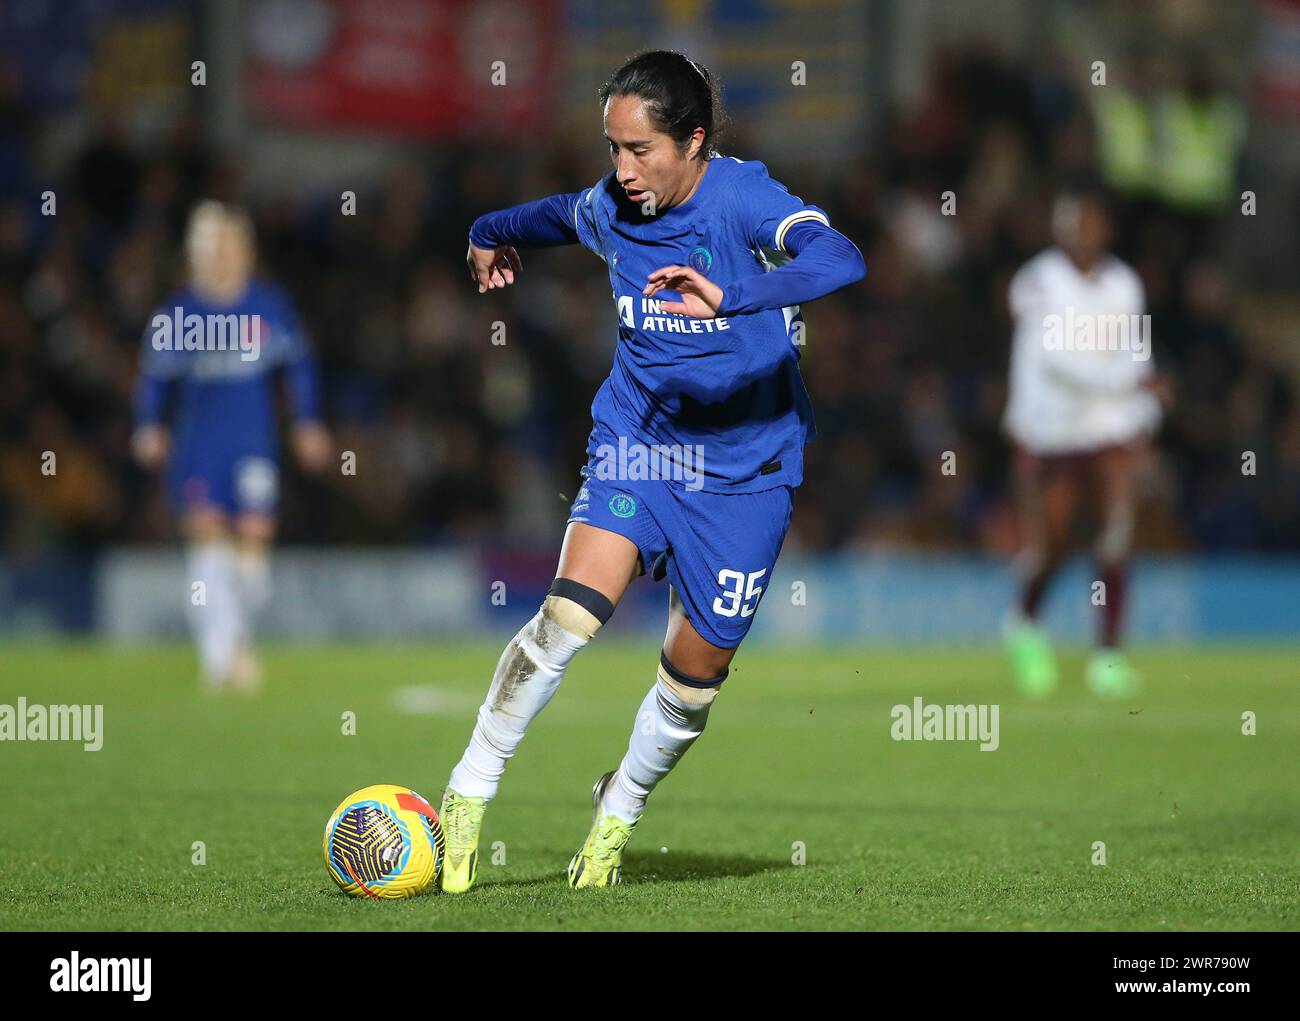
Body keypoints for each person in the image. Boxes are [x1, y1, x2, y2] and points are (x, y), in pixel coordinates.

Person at [443, 50, 865, 891]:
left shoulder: (741, 197)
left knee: (694, 679)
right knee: (567, 619)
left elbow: (842, 257)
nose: (623, 170)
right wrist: (487, 232)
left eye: (641, 150)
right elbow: (553, 216)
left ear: (695, 141)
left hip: (749, 467)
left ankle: (618, 809)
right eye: (612, 148)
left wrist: (738, 293)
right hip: (641, 443)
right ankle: (467, 791)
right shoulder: (612, 207)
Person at [132, 200, 331, 691]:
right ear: (194, 253)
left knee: (251, 565)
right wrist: (149, 425)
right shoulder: (179, 313)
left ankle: (232, 641)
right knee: (208, 546)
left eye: (230, 246)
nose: (221, 256)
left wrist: (308, 424)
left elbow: (299, 368)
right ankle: (219, 657)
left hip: (253, 447)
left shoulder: (268, 307)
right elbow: (154, 379)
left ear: (246, 252)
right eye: (211, 247)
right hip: (199, 449)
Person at [1001, 185, 1168, 699]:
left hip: (1105, 428)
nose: (1078, 230)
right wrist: (1129, 386)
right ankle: (1024, 622)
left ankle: (1109, 656)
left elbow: (1138, 356)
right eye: (1069, 220)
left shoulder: (1124, 284)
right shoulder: (1036, 282)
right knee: (1053, 542)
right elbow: (1058, 362)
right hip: (1048, 429)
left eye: (1087, 220)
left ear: (1105, 226)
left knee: (1115, 534)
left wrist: (1145, 413)